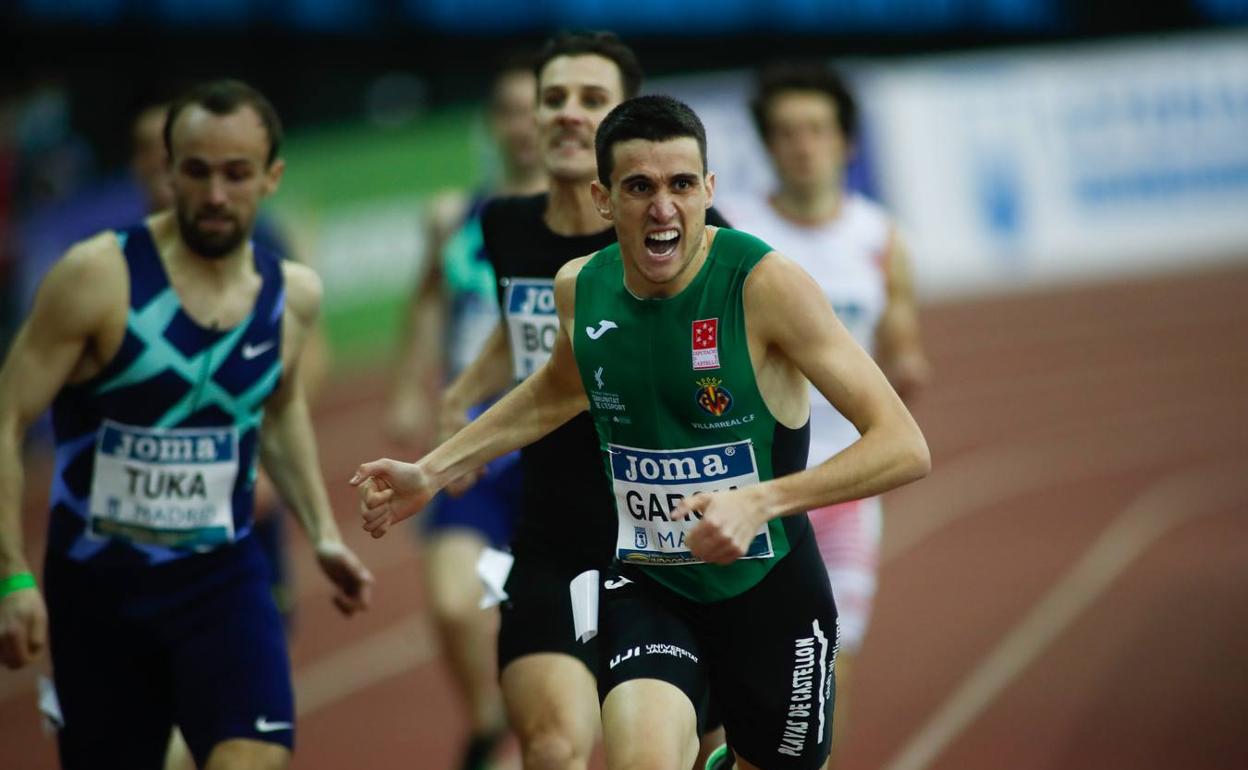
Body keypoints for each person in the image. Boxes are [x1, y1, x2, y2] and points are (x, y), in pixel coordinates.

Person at [352, 95, 930, 770]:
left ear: (708, 190)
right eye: (639, 188)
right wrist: (433, 469)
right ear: (603, 199)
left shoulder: (764, 285)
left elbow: (903, 445)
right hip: (651, 582)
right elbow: (556, 392)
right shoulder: (581, 288)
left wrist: (760, 502)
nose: (663, 208)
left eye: (681, 185)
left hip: (769, 588)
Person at [0, 79, 373, 770]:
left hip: (222, 578)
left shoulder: (291, 295)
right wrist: (11, 576)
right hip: (99, 592)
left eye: (237, 174)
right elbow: (6, 418)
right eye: (197, 172)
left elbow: (279, 410)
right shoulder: (96, 278)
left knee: (255, 755)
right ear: (167, 172)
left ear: (271, 178)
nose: (216, 194)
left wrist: (322, 532)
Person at [429, 31, 731, 770]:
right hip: (555, 530)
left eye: (591, 99)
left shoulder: (687, 238)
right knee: (553, 747)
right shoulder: (505, 224)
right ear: (531, 115)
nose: (568, 113)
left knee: (693, 750)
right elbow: (523, 328)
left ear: (625, 120)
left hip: (667, 533)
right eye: (553, 98)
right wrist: (460, 398)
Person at [715, 61, 932, 766]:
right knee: (726, 686)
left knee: (825, 667)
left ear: (846, 142)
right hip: (745, 481)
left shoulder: (880, 236)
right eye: (785, 132)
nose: (802, 145)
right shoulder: (732, 229)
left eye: (816, 129)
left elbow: (899, 336)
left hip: (841, 488)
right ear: (766, 145)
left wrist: (907, 361)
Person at [386, 54, 546, 770]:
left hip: (556, 443)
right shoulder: (453, 216)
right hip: (472, 445)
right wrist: (407, 387)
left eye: (535, 108)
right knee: (454, 604)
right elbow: (426, 300)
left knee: (552, 625)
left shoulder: (586, 219)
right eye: (509, 110)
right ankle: (488, 718)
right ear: (492, 123)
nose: (523, 124)